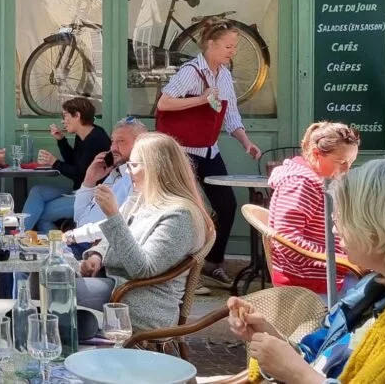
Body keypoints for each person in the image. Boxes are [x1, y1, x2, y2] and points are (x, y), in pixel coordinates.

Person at [229, 158, 385, 383]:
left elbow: (310, 374)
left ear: (380, 227)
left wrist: (300, 376)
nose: (335, 229)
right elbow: (322, 359)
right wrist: (270, 340)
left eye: (343, 216)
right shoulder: (377, 287)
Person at [157, 20, 262, 288]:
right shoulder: (190, 71)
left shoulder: (224, 75)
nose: (233, 51)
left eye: (234, 47)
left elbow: (230, 114)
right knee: (187, 210)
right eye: (228, 46)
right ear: (210, 44)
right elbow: (164, 103)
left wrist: (245, 141)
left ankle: (212, 263)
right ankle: (180, 272)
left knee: (226, 205)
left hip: (208, 149)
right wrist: (201, 99)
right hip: (182, 152)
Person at [76, 133, 214, 332]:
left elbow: (143, 269)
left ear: (155, 168)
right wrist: (97, 255)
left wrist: (113, 215)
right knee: (45, 280)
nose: (128, 171)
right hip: (116, 287)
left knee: (57, 291)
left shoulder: (180, 215)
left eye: (133, 165)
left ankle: (55, 345)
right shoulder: (142, 198)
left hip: (144, 303)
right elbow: (113, 237)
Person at [268, 122, 360, 297]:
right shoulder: (301, 183)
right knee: (380, 293)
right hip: (309, 280)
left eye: (351, 163)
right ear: (317, 154)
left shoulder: (315, 179)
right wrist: (341, 261)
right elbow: (287, 238)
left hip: (325, 272)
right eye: (342, 162)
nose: (347, 170)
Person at [23, 97, 112, 233]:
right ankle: (20, 234)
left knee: (42, 214)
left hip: (91, 196)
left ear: (77, 115)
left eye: (65, 116)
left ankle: (58, 243)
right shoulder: (82, 135)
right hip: (77, 190)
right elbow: (73, 161)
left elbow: (80, 174)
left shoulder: (97, 139)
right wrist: (61, 140)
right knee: (37, 191)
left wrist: (55, 163)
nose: (63, 121)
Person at [64, 116, 147, 248]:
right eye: (112, 141)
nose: (113, 148)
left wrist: (74, 236)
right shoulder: (115, 173)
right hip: (80, 240)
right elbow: (79, 218)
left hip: (100, 248)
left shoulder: (138, 180)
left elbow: (121, 225)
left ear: (140, 144)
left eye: (121, 141)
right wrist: (89, 180)